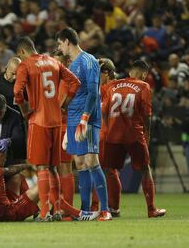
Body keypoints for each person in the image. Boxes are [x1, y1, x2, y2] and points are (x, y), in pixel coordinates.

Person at [14, 36, 87, 221]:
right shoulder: (53, 61)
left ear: (22, 52)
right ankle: (58, 210)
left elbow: (17, 92)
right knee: (54, 168)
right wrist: (64, 104)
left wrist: (25, 111)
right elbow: (75, 82)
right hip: (56, 120)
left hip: (39, 120)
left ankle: (46, 212)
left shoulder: (25, 65)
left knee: (41, 167)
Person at [56, 27, 111, 221]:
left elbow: (93, 92)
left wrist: (85, 118)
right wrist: (67, 129)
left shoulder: (88, 61)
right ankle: (86, 210)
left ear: (67, 41)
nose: (59, 47)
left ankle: (105, 210)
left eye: (59, 43)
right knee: (79, 163)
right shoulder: (72, 65)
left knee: (91, 161)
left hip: (86, 119)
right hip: (73, 118)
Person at [101, 60, 166, 218]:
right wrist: (147, 133)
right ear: (144, 74)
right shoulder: (143, 86)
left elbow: (104, 110)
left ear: (130, 71)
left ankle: (114, 208)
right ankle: (151, 209)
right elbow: (146, 114)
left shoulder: (110, 86)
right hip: (134, 134)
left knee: (110, 170)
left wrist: (107, 127)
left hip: (113, 134)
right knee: (145, 169)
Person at [0, 144, 99, 222]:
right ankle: (77, 213)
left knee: (17, 176)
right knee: (45, 183)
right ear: (0, 156)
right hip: (7, 213)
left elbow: (9, 170)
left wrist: (27, 164)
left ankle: (45, 210)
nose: (5, 160)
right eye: (4, 157)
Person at [90, 58, 122, 216]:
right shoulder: (119, 87)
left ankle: (96, 206)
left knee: (97, 168)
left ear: (106, 73)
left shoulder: (106, 89)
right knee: (110, 170)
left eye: (97, 72)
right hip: (116, 134)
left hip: (105, 133)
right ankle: (114, 207)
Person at [0, 56, 27, 164]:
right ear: (6, 67)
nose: (15, 77)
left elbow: (27, 105)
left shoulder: (23, 85)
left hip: (15, 126)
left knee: (16, 159)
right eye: (13, 73)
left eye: (18, 74)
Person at [51, 49, 75, 206]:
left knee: (65, 167)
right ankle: (58, 207)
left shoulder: (67, 81)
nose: (55, 65)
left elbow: (59, 106)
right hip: (53, 125)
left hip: (65, 126)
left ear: (67, 63)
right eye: (54, 62)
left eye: (59, 62)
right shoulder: (53, 80)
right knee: (54, 167)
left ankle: (67, 207)